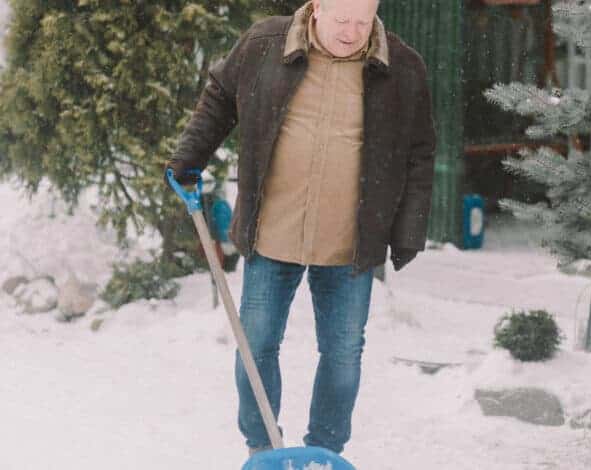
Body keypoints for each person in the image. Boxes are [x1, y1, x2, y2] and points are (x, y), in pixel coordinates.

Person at [166, 0, 436, 456]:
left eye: (363, 21)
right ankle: (262, 446)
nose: (353, 32)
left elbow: (419, 151)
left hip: (349, 241)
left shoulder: (403, 67)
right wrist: (189, 156)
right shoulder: (265, 44)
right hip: (273, 231)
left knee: (343, 354)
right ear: (318, 8)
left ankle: (325, 453)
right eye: (342, 20)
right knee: (256, 345)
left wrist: (408, 231)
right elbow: (220, 95)